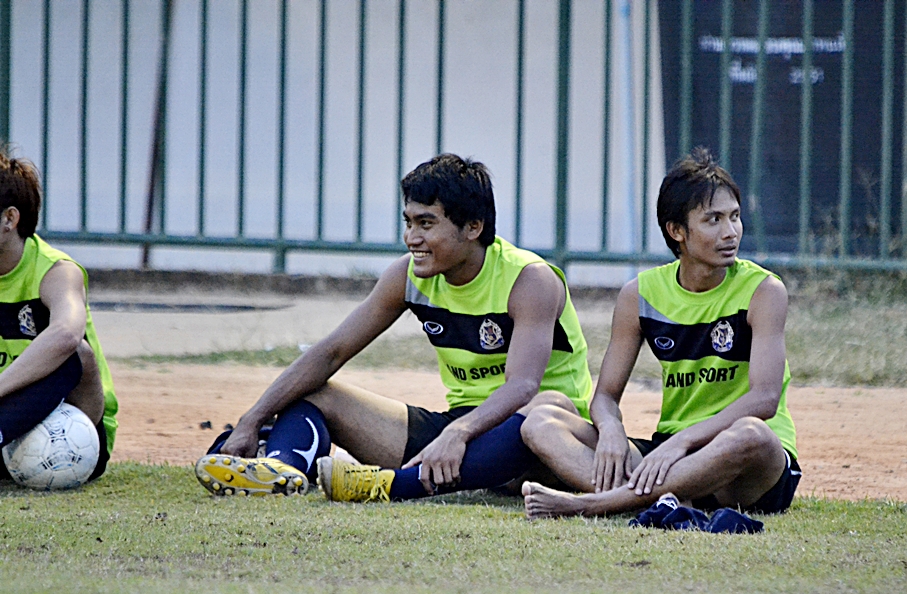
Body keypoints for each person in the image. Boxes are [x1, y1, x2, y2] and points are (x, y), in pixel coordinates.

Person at [196, 154, 592, 501]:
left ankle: (390, 486)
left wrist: (457, 434)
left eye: (426, 224)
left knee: (538, 410)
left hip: (540, 437)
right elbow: (331, 352)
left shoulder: (529, 279)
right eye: (408, 222)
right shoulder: (408, 276)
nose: (411, 238)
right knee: (316, 390)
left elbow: (522, 386)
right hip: (459, 430)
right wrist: (251, 420)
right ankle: (280, 470)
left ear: (473, 227)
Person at [518, 148, 799, 518]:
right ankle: (668, 496)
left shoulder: (764, 291)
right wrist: (611, 429)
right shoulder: (640, 295)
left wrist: (683, 441)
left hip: (744, 466)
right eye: (713, 220)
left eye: (734, 217)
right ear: (676, 231)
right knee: (540, 422)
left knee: (752, 434)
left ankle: (592, 504)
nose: (730, 232)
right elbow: (605, 397)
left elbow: (764, 399)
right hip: (669, 454)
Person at [0, 150, 118, 482]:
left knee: (75, 351)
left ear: (9, 219)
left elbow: (66, 334)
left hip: (76, 431)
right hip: (9, 425)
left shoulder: (56, 270)